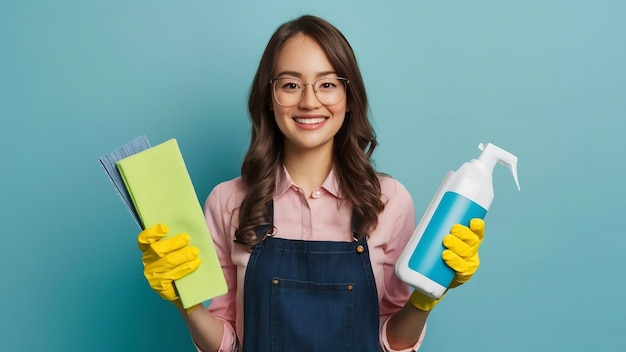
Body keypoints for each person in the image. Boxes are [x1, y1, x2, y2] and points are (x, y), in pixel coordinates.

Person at [137, 15, 485, 352]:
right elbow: (226, 343)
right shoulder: (228, 202)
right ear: (269, 98)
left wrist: (426, 297)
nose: (308, 101)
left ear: (349, 99)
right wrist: (184, 300)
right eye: (290, 84)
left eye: (328, 84)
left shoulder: (389, 201)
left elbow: (391, 341)